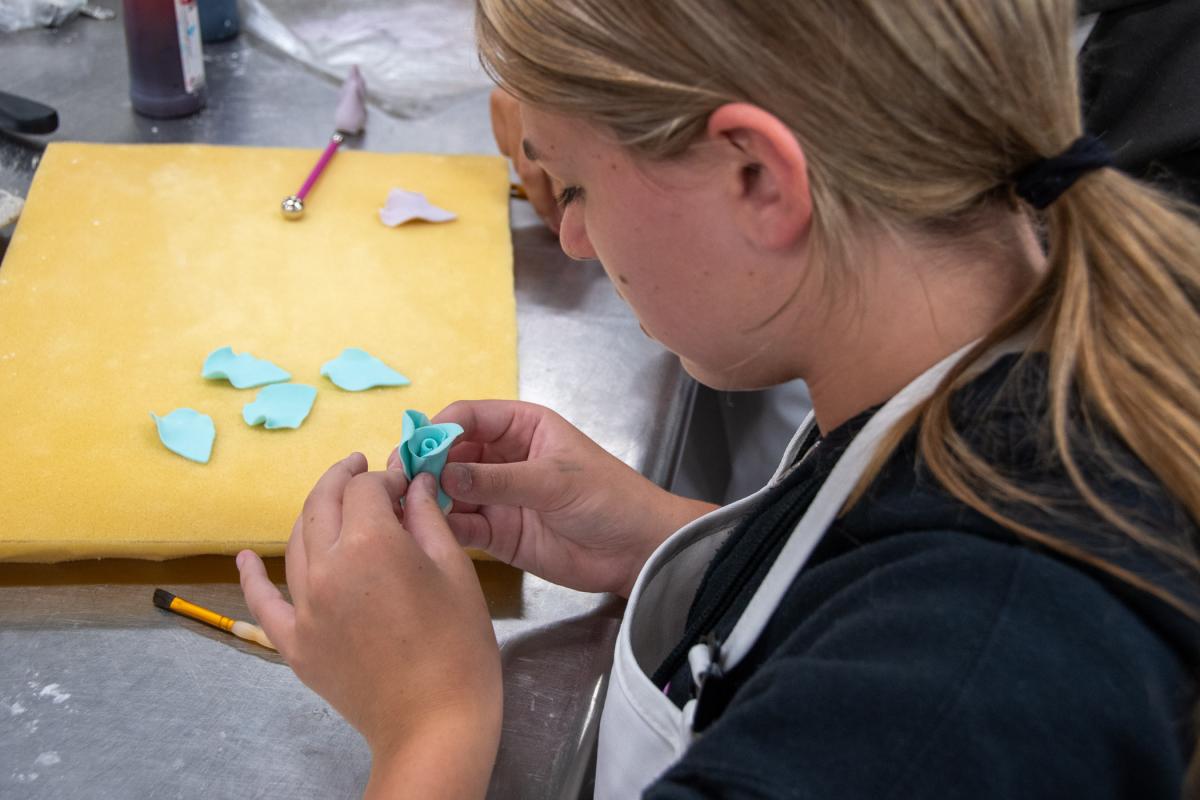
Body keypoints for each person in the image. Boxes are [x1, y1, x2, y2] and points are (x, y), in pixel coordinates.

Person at [236, 1, 1200, 797]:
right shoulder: (984, 359)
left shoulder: (944, 711)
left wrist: (430, 722)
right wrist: (675, 543)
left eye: (570, 188)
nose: (570, 240)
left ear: (758, 179)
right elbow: (861, 587)